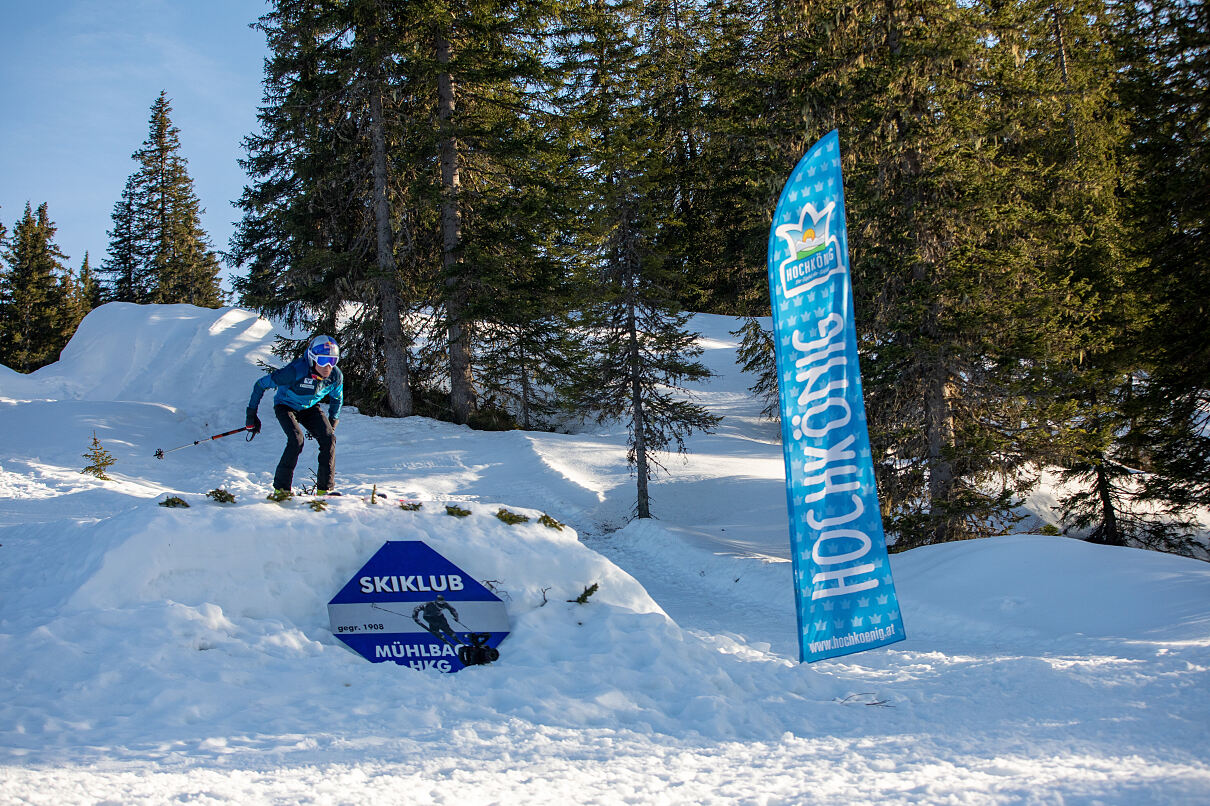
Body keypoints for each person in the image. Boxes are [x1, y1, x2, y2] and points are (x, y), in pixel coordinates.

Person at [246, 334, 344, 495]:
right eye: (322, 361)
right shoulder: (295, 371)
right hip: (285, 406)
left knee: (329, 440)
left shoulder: (335, 376)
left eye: (332, 361)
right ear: (312, 358)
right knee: (296, 440)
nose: (328, 366)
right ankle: (281, 490)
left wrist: (333, 422)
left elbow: (337, 398)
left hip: (309, 407)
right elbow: (260, 384)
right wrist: (251, 415)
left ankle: (324, 491)